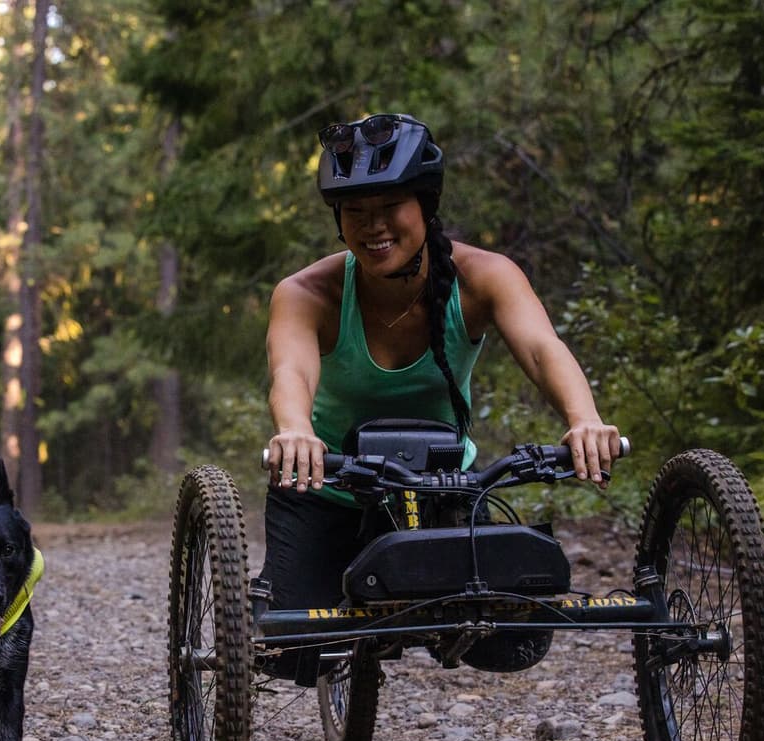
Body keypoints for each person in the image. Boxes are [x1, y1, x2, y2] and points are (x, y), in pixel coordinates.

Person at [260, 112, 621, 684]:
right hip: (325, 484)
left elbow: (541, 348)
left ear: (426, 206)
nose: (373, 227)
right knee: (296, 652)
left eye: (390, 209)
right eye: (356, 212)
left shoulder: (485, 277)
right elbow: (291, 372)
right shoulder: (308, 293)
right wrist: (297, 431)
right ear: (338, 219)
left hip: (443, 489)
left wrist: (585, 420)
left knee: (512, 642)